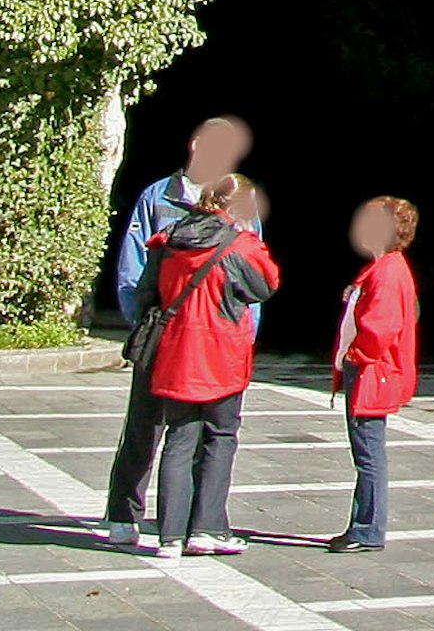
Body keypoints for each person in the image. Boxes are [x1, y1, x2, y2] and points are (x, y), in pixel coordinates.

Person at [105, 115, 251, 547]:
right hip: (163, 334)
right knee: (145, 426)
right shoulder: (158, 197)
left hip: (216, 341)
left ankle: (201, 522)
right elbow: (133, 273)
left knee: (206, 433)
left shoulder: (237, 200)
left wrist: (243, 335)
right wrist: (147, 325)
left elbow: (249, 279)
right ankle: (123, 512)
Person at [143, 175, 278, 563]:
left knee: (179, 440)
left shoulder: (169, 240)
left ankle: (169, 535)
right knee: (221, 437)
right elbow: (266, 284)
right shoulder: (240, 245)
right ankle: (207, 528)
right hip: (222, 352)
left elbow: (147, 292)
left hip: (176, 352)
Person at [330, 196, 420, 555]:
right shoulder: (382, 268)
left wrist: (356, 355)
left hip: (371, 372)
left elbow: (381, 327)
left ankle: (368, 528)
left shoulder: (387, 271)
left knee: (368, 454)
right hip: (369, 369)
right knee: (367, 452)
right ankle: (362, 525)